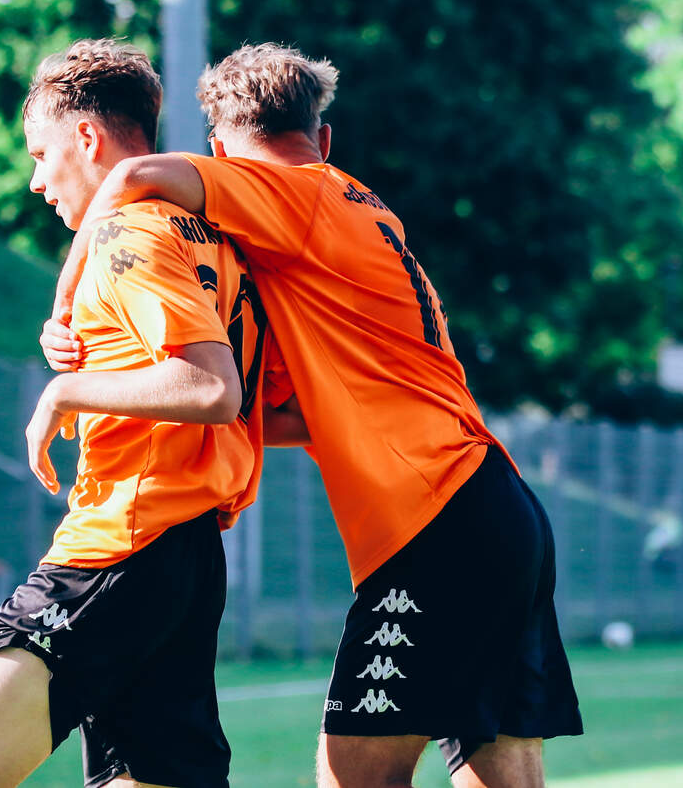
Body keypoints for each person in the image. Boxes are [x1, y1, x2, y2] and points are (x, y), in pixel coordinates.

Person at [42, 43, 583, 788]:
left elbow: (132, 177)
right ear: (324, 136)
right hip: (499, 506)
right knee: (500, 773)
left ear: (221, 153)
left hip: (434, 521)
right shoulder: (364, 214)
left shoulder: (293, 193)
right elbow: (309, 413)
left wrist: (64, 308)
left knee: (352, 776)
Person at [0, 39, 293, 788]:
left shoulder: (128, 234)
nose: (35, 180)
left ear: (86, 137)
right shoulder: (216, 239)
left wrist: (65, 392)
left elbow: (211, 388)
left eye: (40, 154)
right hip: (186, 557)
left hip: (123, 540)